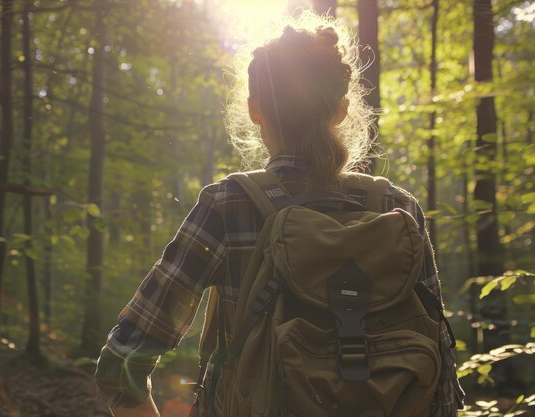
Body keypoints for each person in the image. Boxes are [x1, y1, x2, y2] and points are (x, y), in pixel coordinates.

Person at [94, 11, 464, 417]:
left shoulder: (228, 205)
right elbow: (442, 377)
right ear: (340, 110)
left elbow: (121, 365)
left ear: (255, 111)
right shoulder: (398, 209)